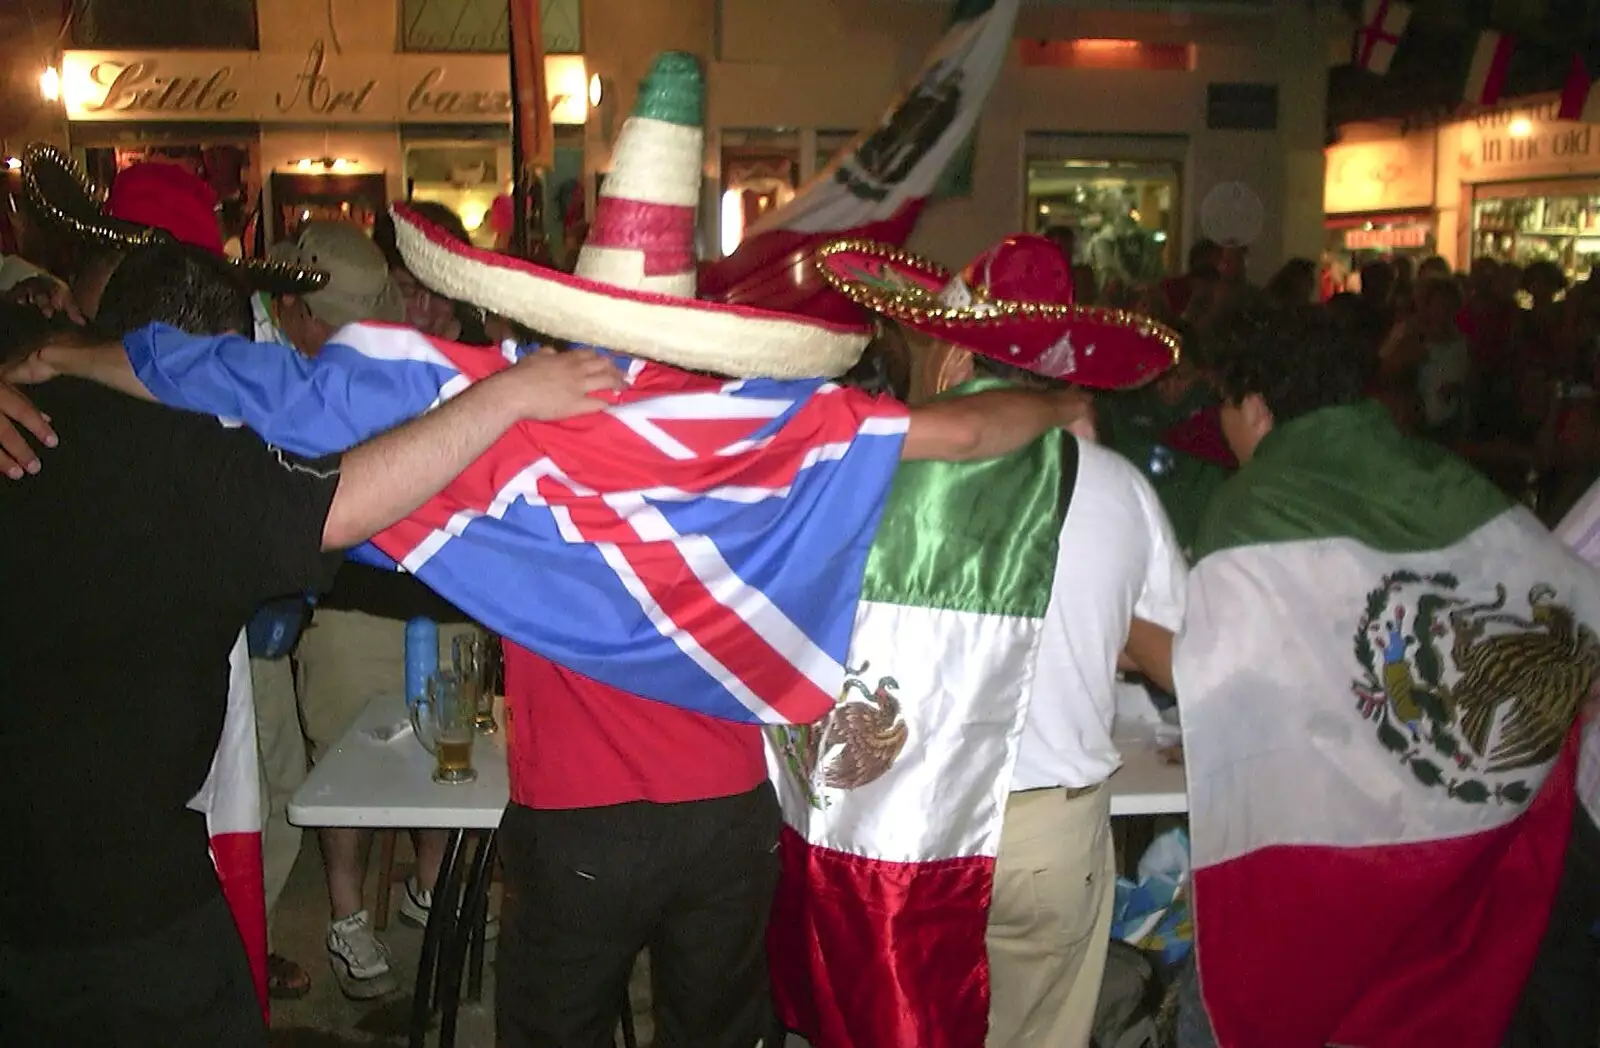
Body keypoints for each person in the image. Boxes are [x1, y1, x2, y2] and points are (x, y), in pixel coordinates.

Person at [0, 53, 1110, 1048]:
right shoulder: (763, 427)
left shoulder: (489, 410)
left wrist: (55, 352)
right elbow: (967, 428)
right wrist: (1057, 404)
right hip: (727, 820)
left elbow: (226, 375)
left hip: (576, 821)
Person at [0, 242, 623, 1047]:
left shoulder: (39, 405)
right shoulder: (185, 462)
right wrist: (505, 397)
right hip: (114, 905)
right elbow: (343, 501)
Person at [773, 233, 1185, 1048]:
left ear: (961, 357)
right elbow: (1174, 657)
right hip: (1049, 837)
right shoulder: (1118, 486)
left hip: (902, 827)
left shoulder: (867, 466)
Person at [1172, 306, 1600, 1048]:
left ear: (1258, 405)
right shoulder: (1439, 474)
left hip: (1331, 837)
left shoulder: (1253, 503)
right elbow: (1562, 595)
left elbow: (1229, 673)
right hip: (1446, 837)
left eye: (1225, 407)